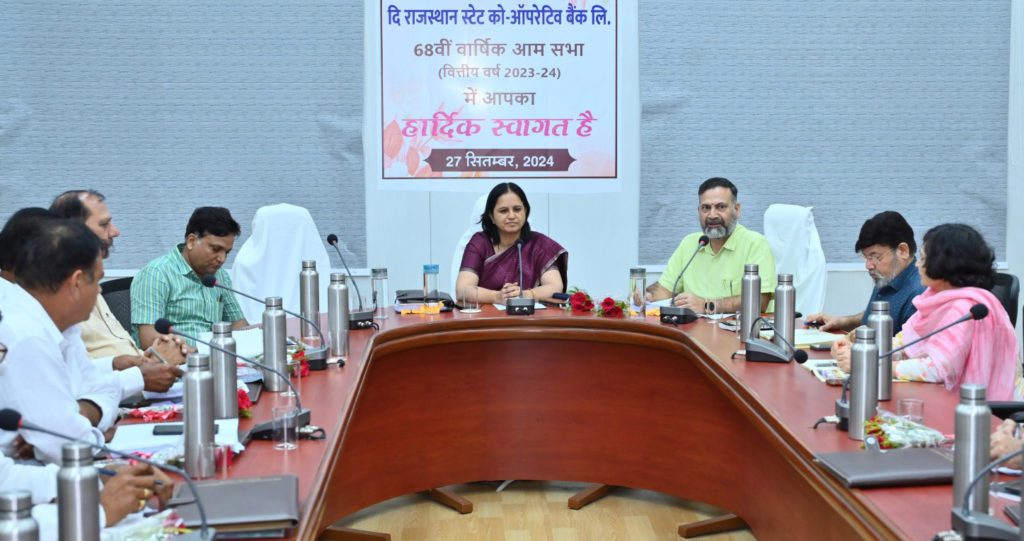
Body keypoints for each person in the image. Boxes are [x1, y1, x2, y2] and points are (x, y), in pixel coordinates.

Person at [834, 224, 1020, 400]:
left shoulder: (964, 308)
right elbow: (903, 345)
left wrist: (869, 364)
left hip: (971, 410)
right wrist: (858, 350)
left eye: (922, 259)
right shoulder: (935, 298)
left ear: (945, 264)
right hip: (939, 399)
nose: (917, 265)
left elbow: (937, 369)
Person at [0, 219, 122, 463]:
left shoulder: (58, 324)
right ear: (76, 282)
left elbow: (107, 389)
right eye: (97, 281)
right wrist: (93, 433)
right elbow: (70, 446)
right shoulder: (26, 336)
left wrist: (77, 418)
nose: (99, 291)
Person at [50, 190, 185, 398]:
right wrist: (145, 370)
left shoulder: (91, 279)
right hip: (118, 398)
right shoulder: (57, 292)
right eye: (104, 224)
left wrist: (150, 358)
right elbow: (71, 379)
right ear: (74, 231)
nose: (115, 232)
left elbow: (109, 360)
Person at [646, 177, 776, 313]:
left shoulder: (755, 244)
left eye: (721, 207)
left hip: (738, 325)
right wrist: (646, 296)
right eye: (706, 208)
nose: (712, 215)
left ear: (737, 209)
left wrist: (706, 305)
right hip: (695, 325)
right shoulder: (690, 243)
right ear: (698, 211)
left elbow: (759, 301)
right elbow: (665, 289)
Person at [131, 207, 248, 348]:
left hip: (216, 355)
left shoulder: (220, 276)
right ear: (192, 241)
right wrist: (194, 353)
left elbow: (238, 325)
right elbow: (149, 339)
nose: (222, 259)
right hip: (176, 359)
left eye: (227, 252)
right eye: (216, 249)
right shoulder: (156, 273)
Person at [806, 211, 925, 333]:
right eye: (866, 258)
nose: (868, 266)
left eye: (875, 257)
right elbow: (875, 317)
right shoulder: (887, 277)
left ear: (903, 251)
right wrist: (842, 322)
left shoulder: (921, 296)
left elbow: (911, 344)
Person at [455, 182, 568, 304]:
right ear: (492, 216)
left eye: (517, 209)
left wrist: (524, 294)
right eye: (503, 211)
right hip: (488, 314)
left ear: (525, 211)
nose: (512, 216)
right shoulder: (480, 242)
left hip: (529, 314)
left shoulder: (539, 244)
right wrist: (496, 297)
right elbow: (462, 289)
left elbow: (555, 287)